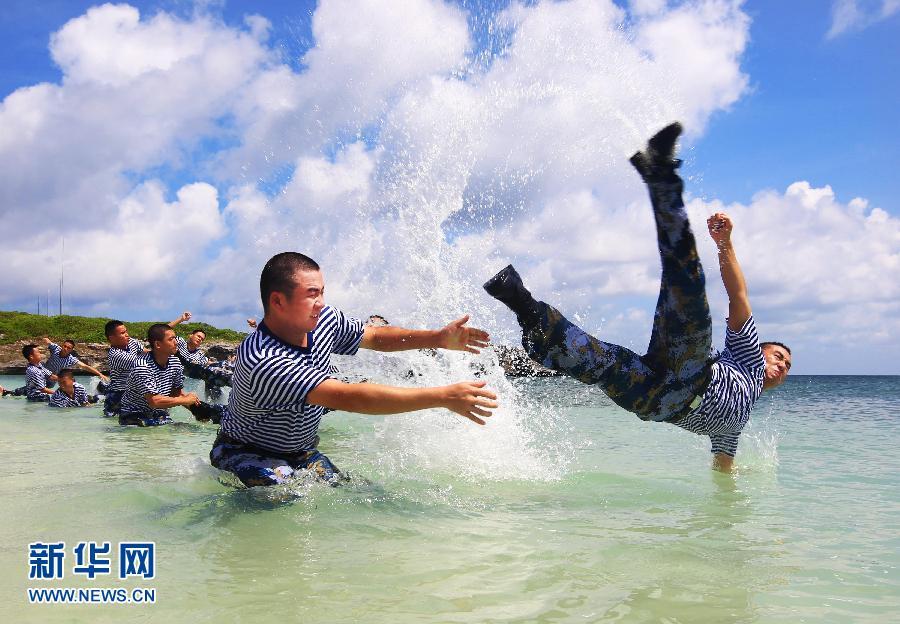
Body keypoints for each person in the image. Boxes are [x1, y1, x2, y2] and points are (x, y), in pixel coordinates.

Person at [484, 123, 792, 472]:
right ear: (761, 350)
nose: (783, 365)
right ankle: (661, 175)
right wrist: (725, 244)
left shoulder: (736, 427)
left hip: (653, 402)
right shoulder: (747, 363)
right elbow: (739, 296)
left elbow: (723, 468)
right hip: (691, 367)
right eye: (779, 355)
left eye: (788, 366)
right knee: (687, 288)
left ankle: (517, 299)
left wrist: (728, 516)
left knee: (590, 360)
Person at [210, 252, 498, 487]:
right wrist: (442, 397)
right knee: (285, 496)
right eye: (312, 294)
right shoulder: (263, 358)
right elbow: (351, 397)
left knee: (356, 492)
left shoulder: (325, 320)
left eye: (322, 292)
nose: (320, 303)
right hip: (245, 452)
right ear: (278, 301)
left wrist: (437, 338)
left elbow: (374, 336)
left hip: (300, 452)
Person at [118, 324, 202, 426]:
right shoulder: (142, 366)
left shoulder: (175, 362)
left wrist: (197, 410)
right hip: (133, 414)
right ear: (158, 344)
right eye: (171, 339)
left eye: (175, 338)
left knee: (188, 431)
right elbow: (154, 401)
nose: (176, 342)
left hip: (158, 412)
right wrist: (185, 400)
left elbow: (176, 393)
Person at [168, 311, 234, 390]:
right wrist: (181, 319)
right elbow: (163, 331)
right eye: (198, 336)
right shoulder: (180, 342)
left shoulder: (200, 354)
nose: (200, 339)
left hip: (189, 375)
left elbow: (206, 365)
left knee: (214, 376)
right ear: (191, 335)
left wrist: (211, 363)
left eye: (202, 339)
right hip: (174, 371)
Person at [103, 320, 147, 417]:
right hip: (118, 396)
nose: (127, 335)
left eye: (126, 331)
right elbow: (144, 362)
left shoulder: (131, 342)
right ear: (112, 338)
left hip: (132, 394)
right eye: (122, 333)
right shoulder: (115, 354)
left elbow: (146, 352)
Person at [41, 337, 109, 385]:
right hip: (42, 374)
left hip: (52, 379)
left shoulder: (71, 359)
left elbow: (85, 366)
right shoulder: (56, 348)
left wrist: (100, 374)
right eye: (64, 346)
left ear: (71, 350)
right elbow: (47, 340)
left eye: (68, 348)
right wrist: (43, 340)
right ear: (62, 346)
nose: (65, 349)